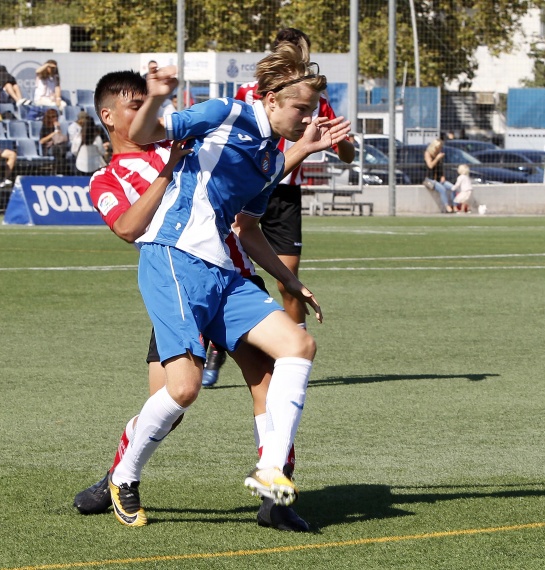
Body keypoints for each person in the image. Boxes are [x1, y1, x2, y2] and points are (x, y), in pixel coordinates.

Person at [103, 47, 350, 528]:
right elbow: (143, 132)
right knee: (185, 389)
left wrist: (291, 281)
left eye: (313, 111)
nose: (307, 119)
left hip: (224, 272)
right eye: (301, 109)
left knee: (298, 344)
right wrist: (155, 97)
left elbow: (248, 228)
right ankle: (123, 476)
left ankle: (271, 470)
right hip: (173, 256)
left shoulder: (270, 155)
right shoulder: (225, 111)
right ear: (273, 99)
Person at [234, 28, 355, 331]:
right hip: (246, 188)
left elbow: (348, 154)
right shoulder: (247, 92)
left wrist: (337, 138)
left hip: (284, 193)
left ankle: (295, 346)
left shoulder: (313, 98)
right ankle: (215, 344)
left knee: (287, 280)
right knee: (225, 270)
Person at [423, 138, 454, 213]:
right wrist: (437, 158)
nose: (440, 149)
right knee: (442, 189)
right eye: (438, 147)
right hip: (429, 180)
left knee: (453, 187)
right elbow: (430, 166)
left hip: (438, 179)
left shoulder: (439, 154)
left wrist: (443, 176)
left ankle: (454, 206)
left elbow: (441, 167)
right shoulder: (428, 153)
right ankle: (447, 207)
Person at [38, 108, 69, 174]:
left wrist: (57, 128)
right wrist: (53, 133)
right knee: (57, 149)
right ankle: (58, 171)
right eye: (53, 117)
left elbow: (60, 138)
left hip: (59, 146)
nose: (55, 118)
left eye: (56, 116)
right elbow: (41, 141)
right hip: (48, 148)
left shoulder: (58, 126)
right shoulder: (44, 127)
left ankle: (62, 171)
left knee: (62, 148)